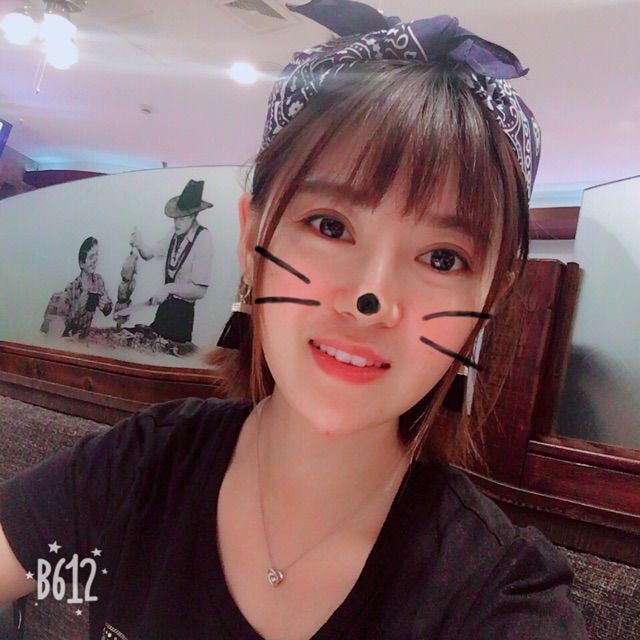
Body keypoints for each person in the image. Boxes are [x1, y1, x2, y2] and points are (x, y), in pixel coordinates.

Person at [0, 3, 589, 639]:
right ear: (252, 238)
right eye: (330, 226)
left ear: (488, 302)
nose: (371, 299)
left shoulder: (498, 596)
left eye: (442, 258)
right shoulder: (140, 467)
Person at [128, 179, 214, 343]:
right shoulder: (173, 234)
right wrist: (139, 244)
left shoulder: (203, 238)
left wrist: (168, 288)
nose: (176, 223)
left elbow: (200, 291)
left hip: (182, 317)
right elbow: (149, 255)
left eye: (182, 219)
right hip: (163, 311)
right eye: (175, 218)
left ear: (193, 216)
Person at [40, 236, 113, 339]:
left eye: (96, 255)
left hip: (83, 338)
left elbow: (108, 309)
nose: (95, 260)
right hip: (68, 339)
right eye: (91, 257)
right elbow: (62, 325)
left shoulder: (98, 281)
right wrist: (77, 308)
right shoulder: (72, 289)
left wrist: (106, 306)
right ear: (82, 263)